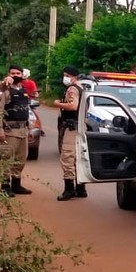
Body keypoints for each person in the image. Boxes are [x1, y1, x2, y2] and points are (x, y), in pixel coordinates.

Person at [0, 65, 32, 197]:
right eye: (13, 73)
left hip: (23, 130)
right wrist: (0, 131)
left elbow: (27, 110)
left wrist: (29, 127)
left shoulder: (23, 90)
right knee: (7, 159)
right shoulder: (5, 90)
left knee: (21, 159)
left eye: (18, 73)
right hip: (10, 130)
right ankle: (5, 186)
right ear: (9, 74)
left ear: (22, 75)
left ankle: (16, 185)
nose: (16, 75)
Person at [54, 66, 87, 201]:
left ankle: (69, 189)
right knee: (78, 157)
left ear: (74, 76)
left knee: (67, 157)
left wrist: (58, 104)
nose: (65, 77)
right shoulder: (82, 88)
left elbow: (73, 106)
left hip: (72, 127)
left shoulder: (72, 89)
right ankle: (81, 188)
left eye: (66, 75)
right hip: (80, 126)